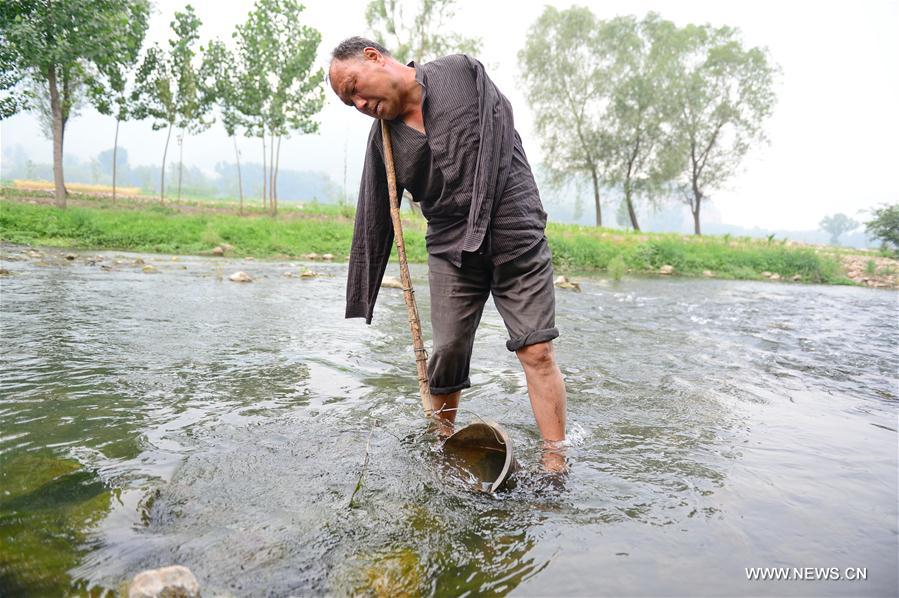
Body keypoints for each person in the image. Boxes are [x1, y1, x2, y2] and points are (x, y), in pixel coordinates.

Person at [328, 37, 566, 470]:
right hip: (451, 249)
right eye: (351, 102)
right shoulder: (383, 142)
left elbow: (502, 120)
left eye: (356, 88)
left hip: (514, 228)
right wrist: (363, 294)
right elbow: (375, 215)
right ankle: (444, 450)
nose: (360, 103)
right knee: (449, 349)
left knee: (537, 350)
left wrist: (487, 206)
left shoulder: (459, 72)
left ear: (374, 57)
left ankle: (555, 459)